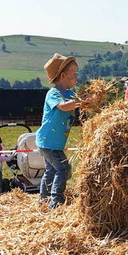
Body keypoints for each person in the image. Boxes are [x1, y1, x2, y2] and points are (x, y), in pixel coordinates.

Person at [36, 54, 81, 209]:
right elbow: (63, 106)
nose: (76, 76)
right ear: (63, 75)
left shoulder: (70, 93)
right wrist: (79, 102)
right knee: (64, 168)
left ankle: (44, 199)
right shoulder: (54, 93)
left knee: (51, 169)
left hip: (52, 142)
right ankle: (56, 201)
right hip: (49, 142)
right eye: (74, 73)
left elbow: (75, 101)